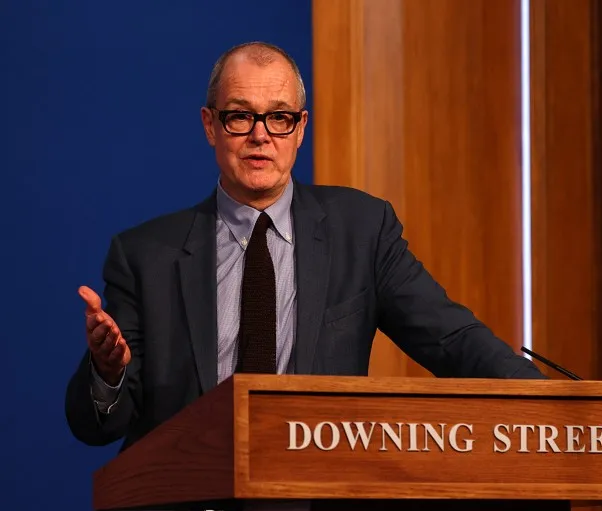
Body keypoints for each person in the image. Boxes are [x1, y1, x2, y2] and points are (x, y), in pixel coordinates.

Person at [65, 41, 545, 455]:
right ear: (210, 125)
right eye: (239, 117)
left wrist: (563, 411)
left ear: (300, 128)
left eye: (278, 117)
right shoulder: (145, 255)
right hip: (193, 492)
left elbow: (453, 340)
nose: (260, 135)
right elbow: (100, 426)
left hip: (316, 491)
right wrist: (109, 373)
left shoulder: (362, 229)